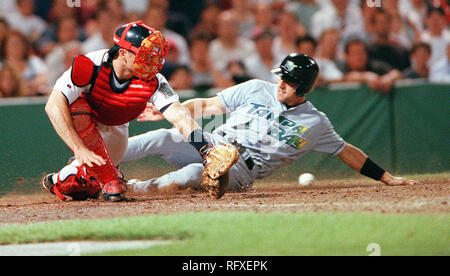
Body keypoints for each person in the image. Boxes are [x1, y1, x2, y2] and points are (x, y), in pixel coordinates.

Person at [122, 53, 418, 195]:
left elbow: (345, 150)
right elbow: (209, 105)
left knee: (191, 173)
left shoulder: (315, 122)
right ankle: (95, 167)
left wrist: (386, 177)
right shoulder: (256, 88)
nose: (281, 83)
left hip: (240, 168)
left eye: (289, 81)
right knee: (162, 137)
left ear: (304, 87)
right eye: (282, 76)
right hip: (214, 144)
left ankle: (132, 189)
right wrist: (168, 111)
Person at [42, 21, 237, 202]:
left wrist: (206, 149)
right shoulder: (89, 65)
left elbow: (178, 115)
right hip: (85, 122)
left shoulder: (154, 80)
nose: (153, 61)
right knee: (76, 107)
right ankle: (108, 178)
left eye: (154, 55)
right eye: (145, 55)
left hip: (116, 128)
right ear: (123, 53)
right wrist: (79, 148)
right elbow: (53, 105)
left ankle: (63, 179)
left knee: (90, 182)